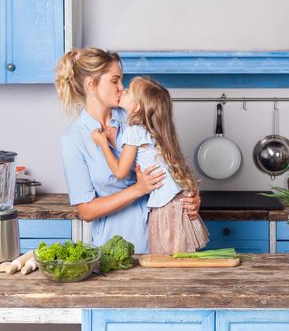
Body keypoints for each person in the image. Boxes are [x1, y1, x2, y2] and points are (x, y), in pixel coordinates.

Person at [54, 47, 201, 253]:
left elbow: (168, 158)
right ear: (91, 83)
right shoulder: (74, 138)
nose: (121, 88)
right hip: (115, 248)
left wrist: (189, 198)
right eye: (114, 81)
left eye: (122, 81)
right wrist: (138, 189)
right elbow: (86, 210)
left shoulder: (134, 117)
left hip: (165, 238)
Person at [91, 76, 209, 254]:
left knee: (165, 262)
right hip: (177, 201)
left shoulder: (134, 132)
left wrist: (102, 144)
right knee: (182, 262)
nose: (122, 90)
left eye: (128, 90)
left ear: (138, 106)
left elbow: (120, 172)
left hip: (165, 207)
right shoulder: (156, 132)